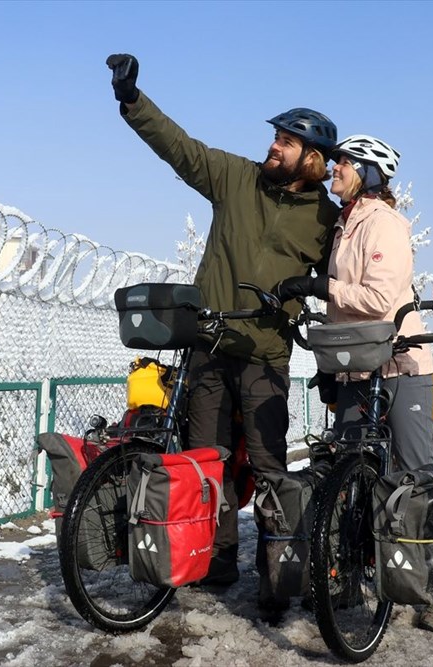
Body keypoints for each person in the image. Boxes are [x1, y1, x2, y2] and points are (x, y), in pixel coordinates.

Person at [104, 54, 340, 606]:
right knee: (206, 461)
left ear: (312, 158)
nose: (273, 147)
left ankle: (276, 573)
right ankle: (217, 559)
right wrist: (132, 100)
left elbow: (342, 281)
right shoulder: (237, 178)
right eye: (275, 138)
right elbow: (180, 148)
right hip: (209, 344)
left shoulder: (326, 220)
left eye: (286, 142)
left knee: (268, 465)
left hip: (266, 355)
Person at [274, 134, 433, 631]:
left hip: (401, 364)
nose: (334, 167)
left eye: (344, 162)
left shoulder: (385, 224)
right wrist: (330, 368)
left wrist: (320, 285)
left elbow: (378, 300)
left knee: (416, 478)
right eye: (335, 160)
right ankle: (347, 578)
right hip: (357, 364)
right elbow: (343, 309)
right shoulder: (345, 224)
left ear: (370, 173)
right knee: (348, 473)